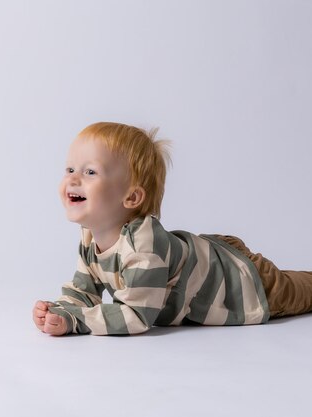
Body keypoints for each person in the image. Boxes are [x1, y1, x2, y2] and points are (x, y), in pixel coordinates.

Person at [32, 122, 312, 336]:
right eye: (69, 169)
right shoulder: (91, 237)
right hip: (215, 258)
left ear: (131, 198)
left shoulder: (143, 244)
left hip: (245, 285)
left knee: (303, 290)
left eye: (89, 172)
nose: (73, 179)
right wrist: (60, 311)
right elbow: (84, 290)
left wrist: (77, 321)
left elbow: (137, 316)